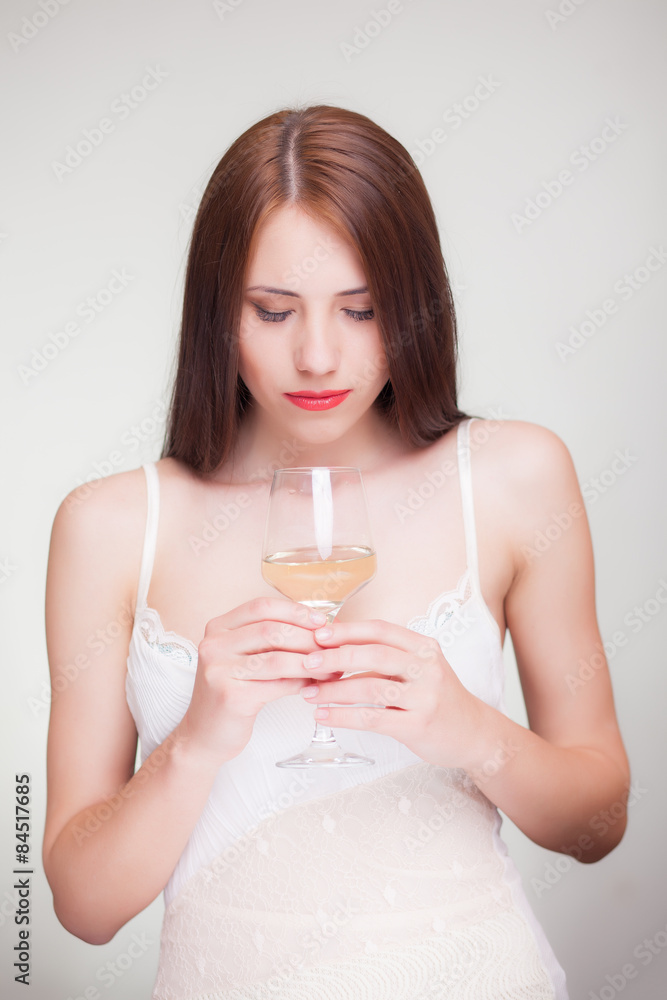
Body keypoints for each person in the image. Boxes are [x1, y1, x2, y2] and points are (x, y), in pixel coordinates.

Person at [43, 105, 630, 999]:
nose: (317, 356)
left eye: (361, 310)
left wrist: (467, 729)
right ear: (215, 313)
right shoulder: (113, 525)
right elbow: (82, 909)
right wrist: (196, 743)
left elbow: (598, 823)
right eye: (273, 311)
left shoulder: (513, 478)